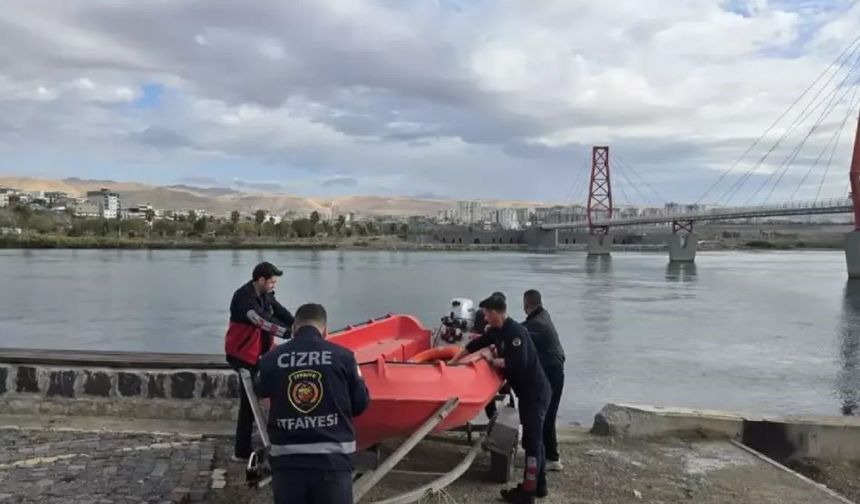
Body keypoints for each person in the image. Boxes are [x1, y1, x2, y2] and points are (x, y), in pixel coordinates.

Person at [258, 303, 370, 504]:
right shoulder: (345, 358)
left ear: (293, 329)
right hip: (333, 464)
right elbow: (360, 404)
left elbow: (260, 391)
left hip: (287, 464)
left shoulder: (270, 359)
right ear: (325, 330)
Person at [453, 293, 551, 504]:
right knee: (536, 440)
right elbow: (475, 345)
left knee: (532, 443)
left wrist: (492, 360)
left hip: (535, 394)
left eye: (487, 314)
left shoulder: (515, 333)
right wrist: (453, 363)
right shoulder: (497, 331)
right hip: (527, 393)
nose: (485, 318)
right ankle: (539, 486)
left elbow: (518, 362)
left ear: (496, 313)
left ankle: (528, 493)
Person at [225, 261, 295, 462]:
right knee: (248, 404)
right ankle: (241, 451)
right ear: (261, 280)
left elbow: (279, 311)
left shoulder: (265, 295)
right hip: (243, 357)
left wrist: (299, 324)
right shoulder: (244, 298)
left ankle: (271, 439)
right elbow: (261, 320)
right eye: (272, 282)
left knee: (267, 394)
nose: (274, 285)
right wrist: (288, 333)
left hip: (260, 355)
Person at [522, 289, 566, 472]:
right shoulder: (542, 317)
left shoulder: (539, 324)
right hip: (553, 370)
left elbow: (520, 331)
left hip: (553, 373)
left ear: (527, 304)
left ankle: (552, 458)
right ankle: (545, 453)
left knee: (547, 414)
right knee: (545, 413)